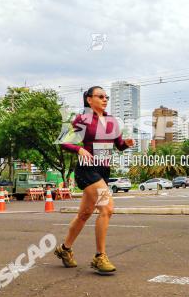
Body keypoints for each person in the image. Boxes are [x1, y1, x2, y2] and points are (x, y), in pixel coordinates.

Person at [55, 86, 135, 274]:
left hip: (103, 170)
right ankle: (100, 257)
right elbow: (63, 141)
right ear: (89, 100)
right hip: (86, 169)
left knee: (84, 214)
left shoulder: (112, 121)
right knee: (107, 208)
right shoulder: (82, 119)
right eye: (100, 96)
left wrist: (126, 144)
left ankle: (64, 249)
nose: (105, 99)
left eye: (106, 97)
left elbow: (119, 145)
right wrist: (78, 149)